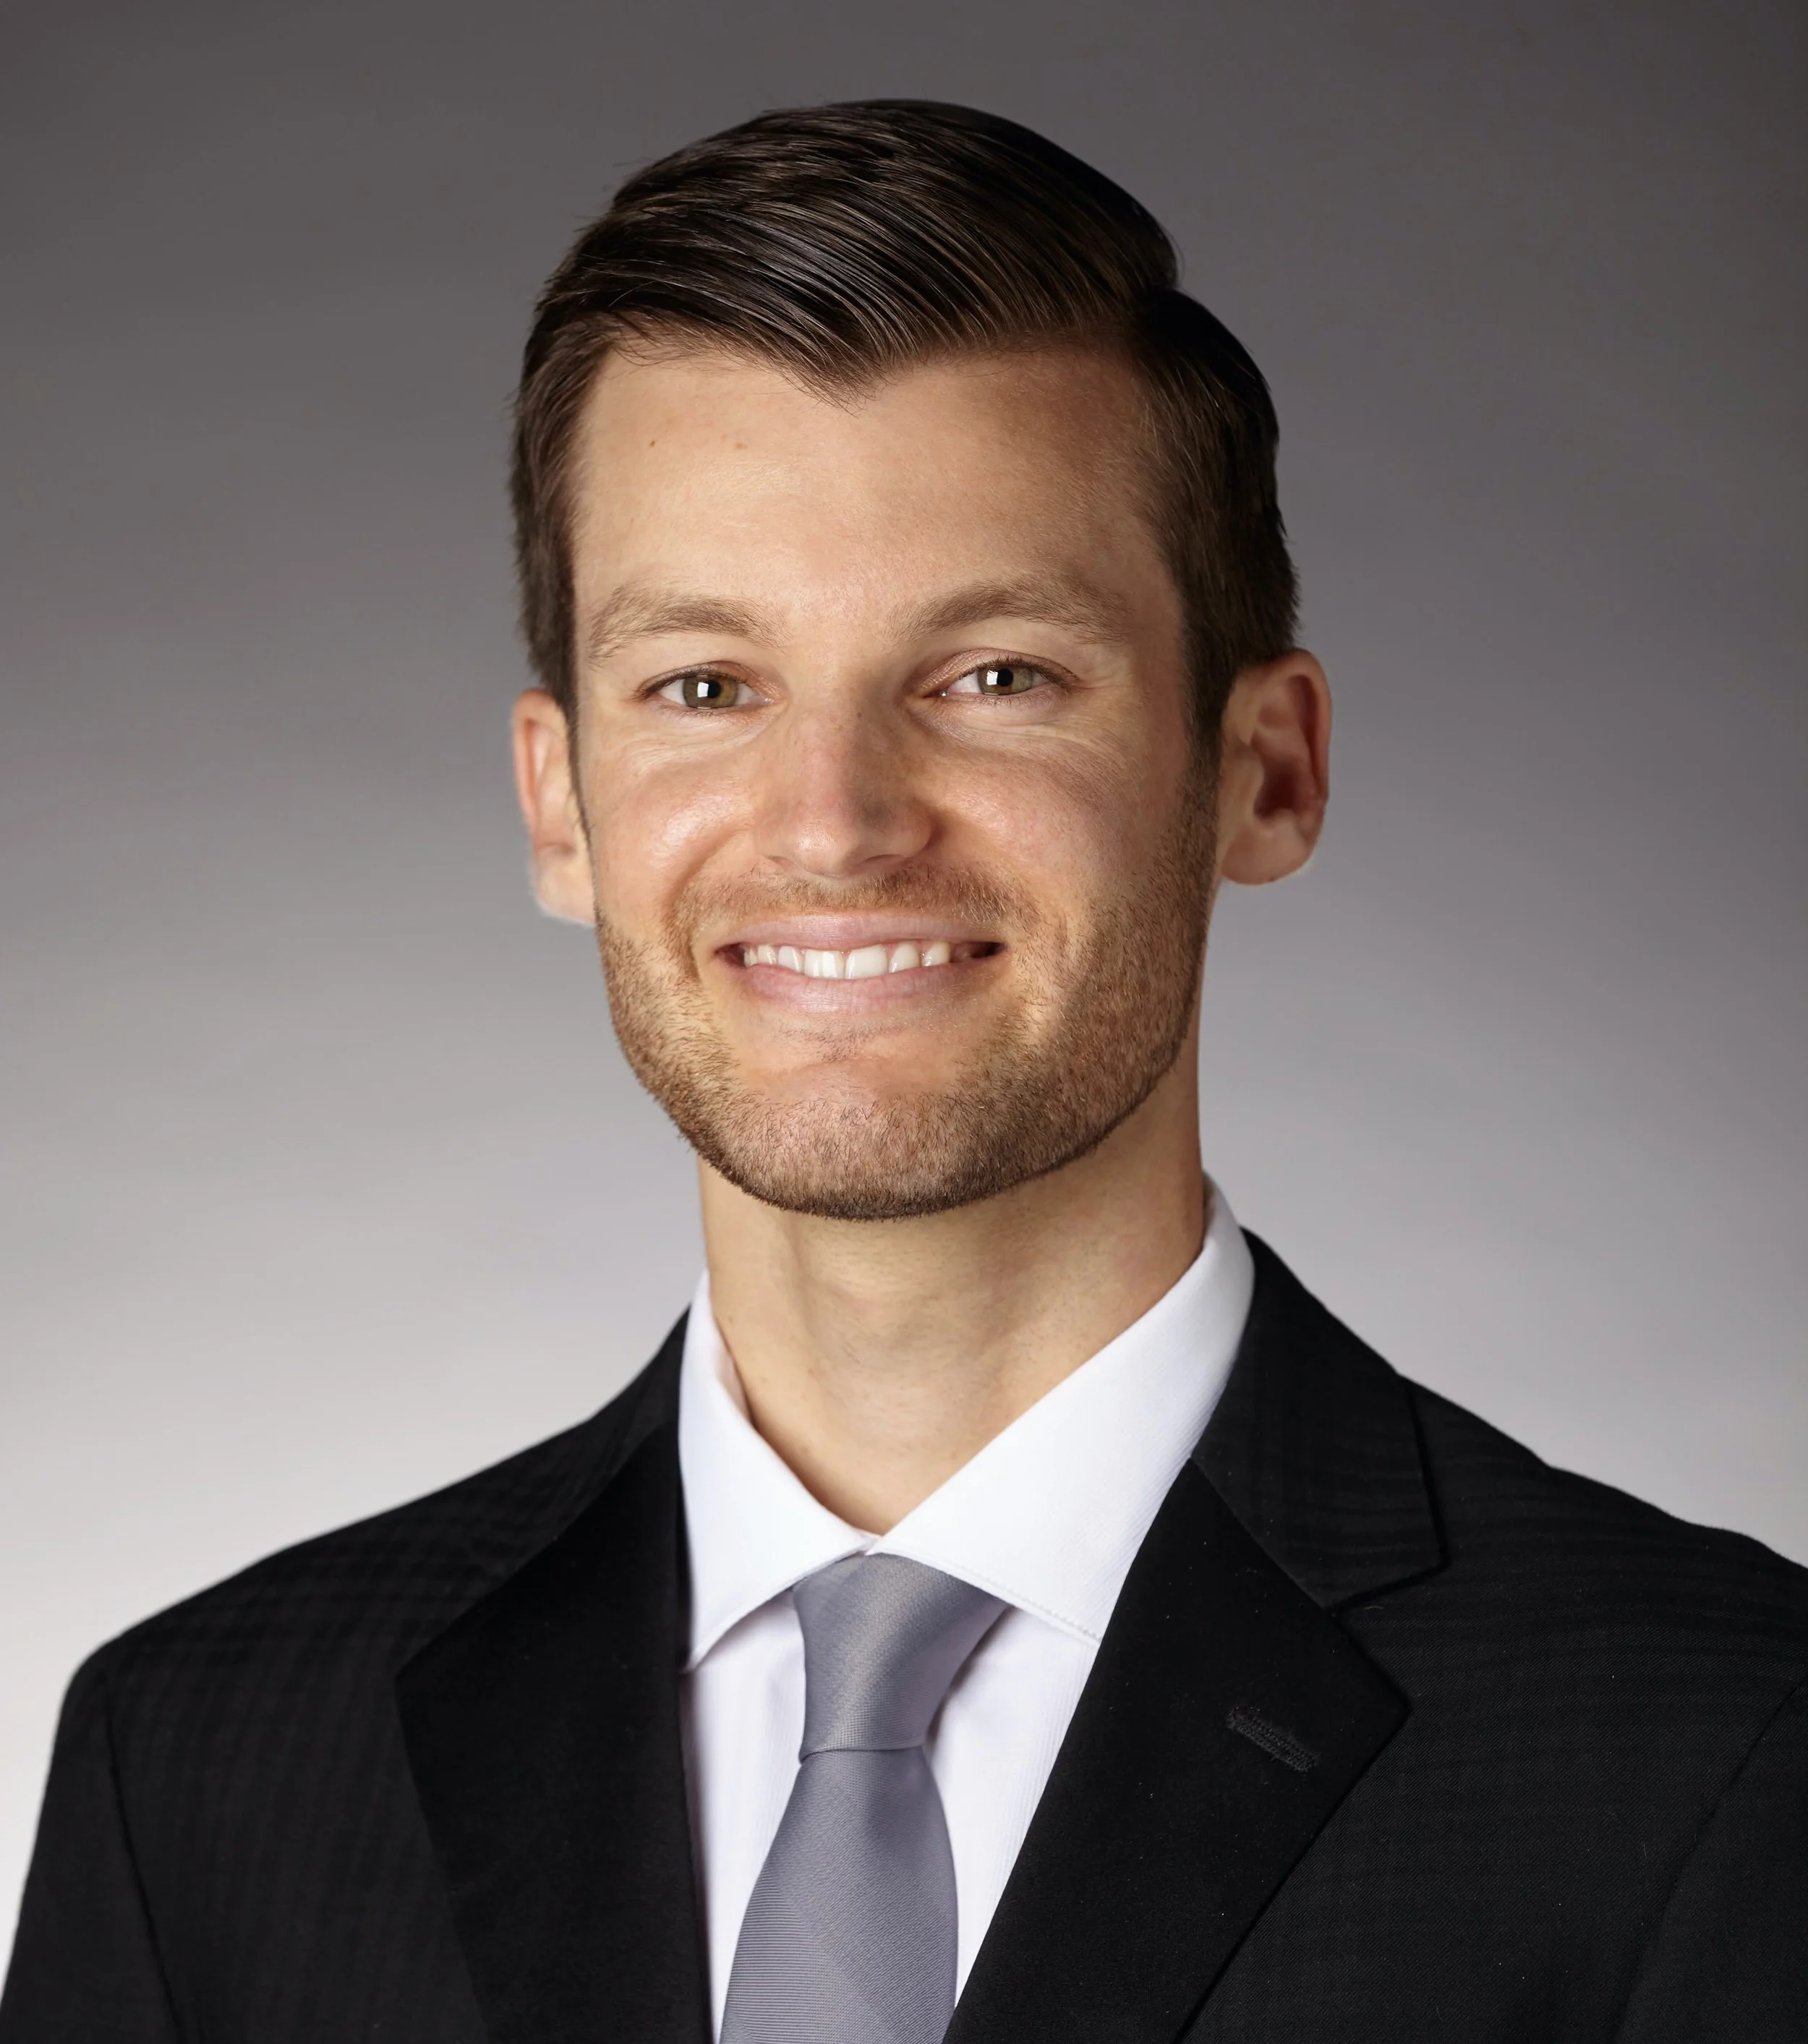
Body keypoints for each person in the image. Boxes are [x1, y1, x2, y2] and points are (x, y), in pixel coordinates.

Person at [4, 98, 1804, 2044]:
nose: (836, 823)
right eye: (703, 684)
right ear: (559, 805)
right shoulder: (197, 1763)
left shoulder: (1719, 1755)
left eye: (995, 676)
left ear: (1261, 770)